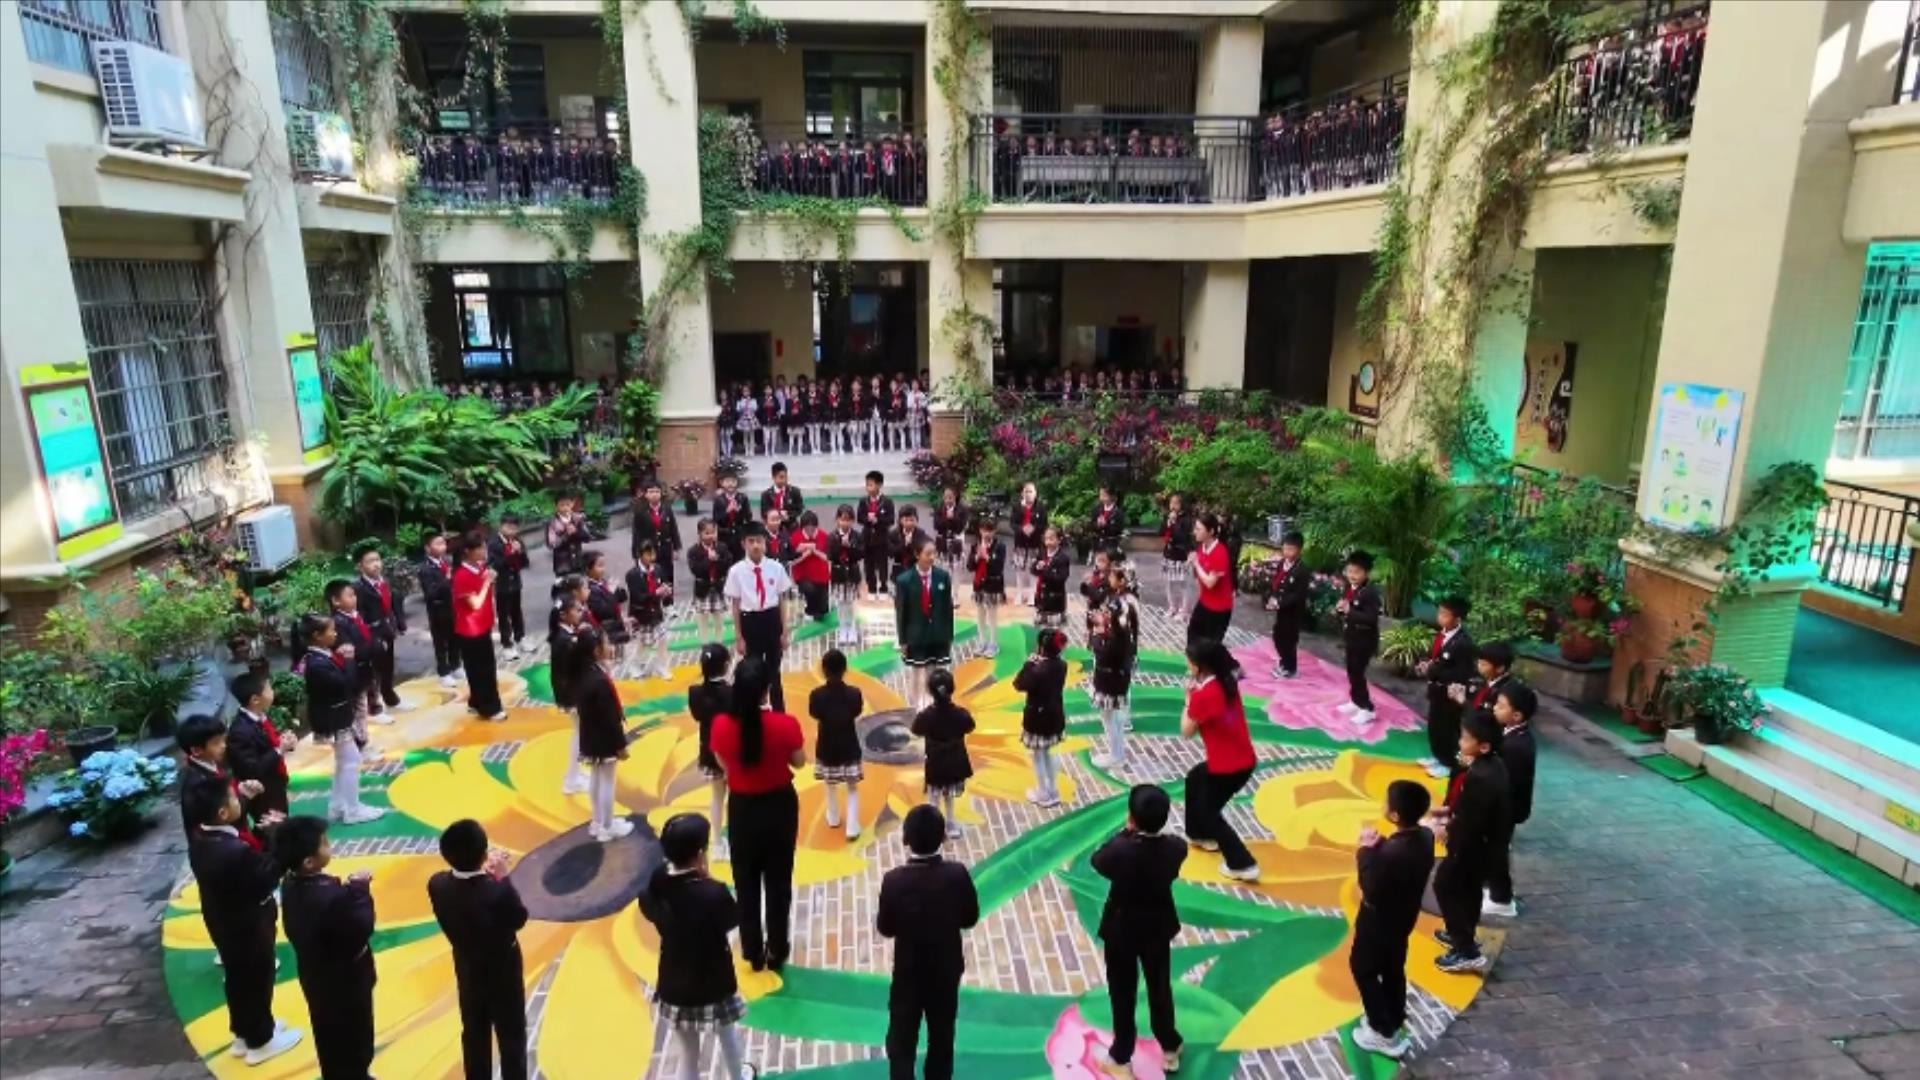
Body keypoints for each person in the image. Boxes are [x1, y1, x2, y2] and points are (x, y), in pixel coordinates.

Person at [183, 783, 303, 1066]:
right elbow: (264, 878)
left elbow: (245, 868)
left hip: (224, 922)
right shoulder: (234, 851)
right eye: (233, 798)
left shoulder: (202, 839)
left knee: (238, 980)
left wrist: (261, 834)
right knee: (258, 978)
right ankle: (261, 1041)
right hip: (248, 925)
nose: (239, 800)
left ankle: (244, 1032)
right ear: (223, 813)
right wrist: (278, 841)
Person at [638, 814, 756, 1080]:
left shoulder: (658, 879)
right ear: (700, 854)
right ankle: (738, 1076)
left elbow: (647, 904)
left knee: (689, 1053)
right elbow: (730, 919)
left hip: (674, 982)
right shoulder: (713, 892)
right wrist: (708, 879)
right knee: (727, 1037)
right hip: (713, 983)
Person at [710, 657, 806, 972]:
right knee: (779, 882)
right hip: (779, 808)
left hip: (742, 809)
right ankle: (777, 948)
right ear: (766, 691)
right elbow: (800, 761)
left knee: (745, 881)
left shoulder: (721, 726)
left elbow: (723, 763)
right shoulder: (785, 724)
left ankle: (752, 949)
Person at [876, 804, 980, 1080]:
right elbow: (970, 918)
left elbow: (885, 928)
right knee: (942, 1037)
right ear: (943, 837)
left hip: (908, 973)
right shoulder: (957, 874)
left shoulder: (893, 881)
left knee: (902, 1039)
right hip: (945, 971)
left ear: (905, 839)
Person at [1090, 785, 1188, 1079]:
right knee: (1159, 987)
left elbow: (1097, 860)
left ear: (1131, 818)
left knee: (1122, 993)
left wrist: (1125, 834)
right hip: (1157, 927)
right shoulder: (1176, 848)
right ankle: (1170, 1045)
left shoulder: (1120, 851)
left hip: (1122, 932)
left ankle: (1121, 1057)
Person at [276, 815, 377, 1080]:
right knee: (355, 1034)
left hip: (315, 974)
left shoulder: (291, 883)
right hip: (346, 979)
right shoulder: (330, 897)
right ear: (309, 862)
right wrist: (359, 890)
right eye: (324, 843)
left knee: (328, 1034)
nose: (329, 845)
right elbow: (361, 925)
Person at [427, 820, 529, 1080]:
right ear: (484, 854)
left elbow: (468, 887)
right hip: (503, 971)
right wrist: (502, 877)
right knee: (511, 1033)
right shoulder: (497, 892)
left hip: (468, 969)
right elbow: (518, 917)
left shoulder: (437, 885)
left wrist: (483, 873)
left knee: (474, 1031)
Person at [1350, 780, 1435, 1059]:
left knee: (1363, 969)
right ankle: (1394, 1016)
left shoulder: (1392, 854)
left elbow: (1371, 887)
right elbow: (1397, 864)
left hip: (1378, 922)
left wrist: (1365, 850)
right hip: (1403, 919)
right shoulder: (1425, 837)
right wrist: (1381, 845)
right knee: (1392, 968)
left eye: (1386, 802)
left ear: (1395, 815)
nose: (1383, 805)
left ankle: (1383, 1031)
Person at [1430, 712, 1511, 973]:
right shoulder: (1491, 766)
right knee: (1469, 890)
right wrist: (1449, 813)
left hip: (1471, 848)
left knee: (1445, 885)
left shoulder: (1481, 777)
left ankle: (1465, 949)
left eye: (1466, 739)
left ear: (1484, 746)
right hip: (1485, 847)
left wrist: (1446, 830)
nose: (1460, 742)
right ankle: (1463, 933)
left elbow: (1472, 821)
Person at [1181, 639, 1260, 882]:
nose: (1187, 663)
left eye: (1189, 660)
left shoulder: (1205, 695)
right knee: (1195, 778)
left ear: (1198, 666)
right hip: (1239, 759)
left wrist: (1188, 700)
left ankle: (1242, 863)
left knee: (1208, 813)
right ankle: (1198, 834)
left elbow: (1186, 731)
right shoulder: (1226, 682)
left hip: (1229, 768)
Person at [302, 614, 384, 825]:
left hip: (336, 715)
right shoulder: (317, 664)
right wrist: (348, 660)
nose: (335, 633)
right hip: (333, 718)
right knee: (352, 761)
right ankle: (352, 810)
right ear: (317, 636)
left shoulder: (322, 657)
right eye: (330, 630)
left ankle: (338, 805)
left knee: (344, 761)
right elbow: (344, 683)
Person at [726, 523, 793, 714]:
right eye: (751, 541)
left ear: (765, 543)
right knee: (752, 671)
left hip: (771, 619)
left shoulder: (776, 568)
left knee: (774, 672)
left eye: (759, 541)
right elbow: (735, 605)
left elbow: (782, 600)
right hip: (750, 621)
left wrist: (784, 631)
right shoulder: (736, 571)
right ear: (743, 544)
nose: (756, 545)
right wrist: (739, 636)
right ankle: (753, 711)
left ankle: (779, 713)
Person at [1483, 684, 1537, 920]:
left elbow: (1504, 783)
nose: (1495, 708)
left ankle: (1501, 899)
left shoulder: (1515, 746)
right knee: (1493, 850)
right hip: (1504, 809)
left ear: (1517, 716)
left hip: (1505, 810)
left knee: (1497, 852)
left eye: (1501, 706)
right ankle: (1494, 890)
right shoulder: (1512, 735)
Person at [573, 628, 632, 842]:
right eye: (606, 643)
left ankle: (598, 821)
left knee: (597, 778)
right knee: (607, 781)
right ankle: (607, 826)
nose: (610, 647)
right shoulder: (599, 681)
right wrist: (620, 745)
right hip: (604, 739)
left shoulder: (583, 673)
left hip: (590, 736)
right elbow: (610, 718)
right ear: (597, 651)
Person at [1416, 596, 1478, 779]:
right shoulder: (1442, 634)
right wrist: (1425, 665)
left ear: (1457, 618)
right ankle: (1438, 756)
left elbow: (1462, 674)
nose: (1440, 617)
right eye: (1440, 612)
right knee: (1435, 726)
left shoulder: (1463, 643)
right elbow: (1435, 658)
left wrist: (1432, 671)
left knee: (1448, 729)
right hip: (1436, 690)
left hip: (1450, 694)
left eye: (1445, 614)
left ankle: (1450, 764)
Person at [809, 648, 866, 842]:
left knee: (830, 784)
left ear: (824, 670)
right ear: (845, 669)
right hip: (849, 746)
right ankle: (852, 826)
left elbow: (814, 713)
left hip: (826, 747)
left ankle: (833, 817)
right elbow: (857, 711)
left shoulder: (816, 695)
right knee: (852, 787)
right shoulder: (854, 694)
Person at [894, 537, 955, 714]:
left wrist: (949, 635)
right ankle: (915, 705)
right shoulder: (904, 580)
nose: (932, 557)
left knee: (934, 672)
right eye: (928, 554)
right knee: (916, 671)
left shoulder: (942, 576)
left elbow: (948, 608)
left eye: (934, 553)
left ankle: (932, 704)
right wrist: (903, 640)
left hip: (937, 634)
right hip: (916, 635)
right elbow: (901, 612)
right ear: (917, 554)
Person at [912, 668, 975, 839]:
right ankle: (951, 824)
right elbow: (970, 726)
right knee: (949, 796)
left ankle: (933, 830)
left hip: (935, 763)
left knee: (933, 797)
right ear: (952, 688)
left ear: (930, 691)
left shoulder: (926, 715)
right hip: (955, 761)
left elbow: (916, 729)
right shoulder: (960, 714)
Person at [226, 672, 295, 825]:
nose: (272, 692)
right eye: (268, 689)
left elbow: (268, 745)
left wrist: (285, 743)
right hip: (263, 793)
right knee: (271, 830)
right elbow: (251, 769)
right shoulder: (240, 731)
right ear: (255, 699)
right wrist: (279, 749)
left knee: (281, 826)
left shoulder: (259, 718)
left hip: (275, 786)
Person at [1091, 567, 1141, 770]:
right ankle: (1117, 753)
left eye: (1106, 612)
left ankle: (1116, 755)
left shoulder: (1116, 636)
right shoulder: (1120, 632)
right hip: (1114, 679)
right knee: (1112, 718)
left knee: (1110, 718)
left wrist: (1097, 636)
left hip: (1111, 682)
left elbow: (1102, 655)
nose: (1103, 614)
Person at [454, 534, 507, 721]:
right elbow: (475, 603)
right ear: (467, 551)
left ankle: (476, 701)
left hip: (482, 625)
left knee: (484, 667)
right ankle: (489, 708)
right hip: (470, 629)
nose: (484, 552)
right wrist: (487, 582)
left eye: (484, 547)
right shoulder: (462, 575)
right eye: (479, 548)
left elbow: (488, 598)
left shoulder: (480, 568)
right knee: (481, 670)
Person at [1015, 629, 1069, 810]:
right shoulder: (1062, 665)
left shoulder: (1037, 671)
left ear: (1041, 647)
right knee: (1049, 753)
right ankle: (1053, 790)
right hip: (1055, 715)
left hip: (1037, 718)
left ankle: (1043, 793)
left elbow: (1018, 684)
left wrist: (1029, 664)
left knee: (1038, 755)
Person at [352, 545, 409, 712]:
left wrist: (399, 623)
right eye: (370, 561)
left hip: (387, 629)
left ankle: (391, 699)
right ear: (360, 566)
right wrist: (368, 637)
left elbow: (393, 603)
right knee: (373, 672)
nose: (376, 564)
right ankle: (374, 707)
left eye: (377, 559)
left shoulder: (384, 582)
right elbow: (359, 616)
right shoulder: (358, 588)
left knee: (388, 667)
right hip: (371, 634)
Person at [328, 578, 386, 731]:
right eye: (349, 596)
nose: (354, 599)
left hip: (367, 662)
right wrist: (373, 648)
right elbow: (349, 648)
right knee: (358, 703)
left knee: (372, 685)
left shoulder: (356, 615)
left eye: (354, 595)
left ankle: (375, 708)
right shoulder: (338, 623)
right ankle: (361, 736)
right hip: (355, 666)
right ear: (336, 601)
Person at [549, 594, 591, 798]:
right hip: (572, 695)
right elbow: (573, 669)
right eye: (576, 609)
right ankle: (571, 780)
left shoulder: (564, 635)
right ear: (564, 615)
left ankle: (575, 774)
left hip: (570, 693)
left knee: (579, 733)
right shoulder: (565, 641)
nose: (580, 612)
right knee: (579, 735)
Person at [1337, 550, 1384, 728]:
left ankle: (1367, 708)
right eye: (1349, 571)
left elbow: (1371, 618)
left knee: (1357, 673)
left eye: (1356, 572)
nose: (1352, 575)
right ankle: (1355, 701)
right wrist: (1340, 610)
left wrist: (1350, 611)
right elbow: (1346, 609)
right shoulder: (1349, 588)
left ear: (1366, 573)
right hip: (1351, 637)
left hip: (1364, 641)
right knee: (1351, 671)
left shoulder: (1370, 593)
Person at [689, 644, 733, 835]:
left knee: (716, 797)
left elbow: (697, 716)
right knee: (734, 798)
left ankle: (717, 841)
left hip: (708, 751)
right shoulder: (731, 693)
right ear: (726, 665)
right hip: (731, 753)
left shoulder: (695, 692)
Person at [1265, 531, 1312, 680]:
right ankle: (1284, 661)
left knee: (1289, 640)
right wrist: (1273, 597)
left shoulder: (1302, 570)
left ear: (1299, 550)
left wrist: (1280, 603)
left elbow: (1298, 595)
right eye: (1285, 548)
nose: (1287, 552)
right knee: (1278, 636)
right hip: (1281, 610)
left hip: (1293, 612)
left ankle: (1290, 667)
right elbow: (1276, 583)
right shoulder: (1282, 564)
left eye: (1291, 549)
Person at [626, 541, 673, 681]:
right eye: (648, 554)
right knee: (643, 642)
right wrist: (656, 594)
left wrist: (666, 590)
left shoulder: (657, 569)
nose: (651, 557)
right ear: (640, 555)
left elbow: (664, 582)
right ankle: (634, 665)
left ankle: (661, 666)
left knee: (662, 639)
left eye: (653, 553)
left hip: (656, 612)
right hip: (641, 614)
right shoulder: (632, 574)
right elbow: (637, 597)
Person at [419, 533, 462, 687]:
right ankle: (444, 672)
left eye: (443, 543)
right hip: (438, 611)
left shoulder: (447, 561)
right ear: (428, 548)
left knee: (454, 638)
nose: (442, 547)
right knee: (440, 642)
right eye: (437, 544)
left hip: (452, 607)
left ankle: (456, 665)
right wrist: (446, 580)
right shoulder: (425, 569)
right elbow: (430, 593)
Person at [488, 514, 531, 662]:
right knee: (503, 615)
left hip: (515, 582)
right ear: (501, 526)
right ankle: (507, 644)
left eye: (514, 528)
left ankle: (521, 637)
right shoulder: (494, 543)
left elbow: (525, 563)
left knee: (517, 611)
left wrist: (520, 552)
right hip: (501, 584)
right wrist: (511, 554)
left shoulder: (517, 541)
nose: (511, 530)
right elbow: (494, 565)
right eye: (508, 527)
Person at [1187, 514, 1234, 647]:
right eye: (1195, 528)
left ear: (1211, 531)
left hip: (1219, 609)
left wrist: (1196, 564)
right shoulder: (1202, 547)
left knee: (1210, 646)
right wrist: (1193, 562)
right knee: (1192, 636)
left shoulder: (1220, 552)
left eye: (1198, 529)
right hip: (1204, 603)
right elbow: (1198, 577)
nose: (1194, 532)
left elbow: (1210, 583)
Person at [630, 480, 682, 599]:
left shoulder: (667, 509)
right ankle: (653, 599)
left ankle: (669, 600)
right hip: (649, 550)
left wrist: (676, 548)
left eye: (657, 491)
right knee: (652, 575)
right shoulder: (640, 512)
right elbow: (636, 534)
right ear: (646, 494)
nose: (654, 494)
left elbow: (673, 528)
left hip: (665, 548)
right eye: (651, 492)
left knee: (667, 574)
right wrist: (637, 553)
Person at [687, 519, 733, 645]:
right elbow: (696, 570)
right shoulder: (694, 551)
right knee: (702, 620)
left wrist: (717, 560)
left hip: (718, 588)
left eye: (713, 532)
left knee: (719, 619)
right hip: (703, 589)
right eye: (707, 533)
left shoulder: (722, 547)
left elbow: (728, 564)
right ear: (700, 534)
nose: (711, 536)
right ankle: (705, 645)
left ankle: (719, 644)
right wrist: (708, 560)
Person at [968, 516, 1006, 659]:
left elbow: (999, 568)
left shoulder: (1000, 547)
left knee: (992, 616)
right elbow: (970, 567)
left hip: (993, 586)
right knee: (980, 616)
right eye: (984, 530)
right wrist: (977, 557)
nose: (987, 534)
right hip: (979, 585)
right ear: (980, 530)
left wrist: (987, 558)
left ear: (994, 531)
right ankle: (982, 641)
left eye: (990, 530)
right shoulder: (975, 545)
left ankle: (993, 643)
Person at [583, 550, 630, 666]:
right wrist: (611, 593)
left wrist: (619, 590)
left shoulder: (603, 583)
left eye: (603, 565)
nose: (603, 569)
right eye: (599, 566)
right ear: (588, 569)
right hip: (606, 632)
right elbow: (603, 611)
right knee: (611, 662)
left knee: (621, 659)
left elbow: (622, 598)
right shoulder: (590, 590)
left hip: (617, 627)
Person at [828, 505, 865, 647]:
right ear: (837, 520)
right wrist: (840, 545)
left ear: (853, 521)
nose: (845, 523)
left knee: (851, 602)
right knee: (841, 602)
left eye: (848, 519)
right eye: (842, 519)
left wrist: (849, 546)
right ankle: (843, 628)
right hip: (838, 574)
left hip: (852, 573)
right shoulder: (832, 536)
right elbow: (830, 555)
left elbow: (860, 554)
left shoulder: (857, 535)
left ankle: (852, 627)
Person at [789, 510, 832, 623]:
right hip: (803, 576)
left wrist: (815, 551)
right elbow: (792, 562)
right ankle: (808, 611)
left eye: (812, 528)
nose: (810, 531)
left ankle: (817, 612)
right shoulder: (795, 537)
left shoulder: (823, 536)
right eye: (807, 528)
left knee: (823, 610)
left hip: (821, 577)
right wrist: (804, 554)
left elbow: (828, 557)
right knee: (810, 590)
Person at [858, 471, 897, 598]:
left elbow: (891, 520)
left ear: (879, 485)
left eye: (871, 485)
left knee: (882, 564)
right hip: (868, 537)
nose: (868, 488)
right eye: (867, 485)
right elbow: (859, 518)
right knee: (868, 564)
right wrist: (867, 519)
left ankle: (883, 587)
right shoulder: (863, 501)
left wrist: (878, 520)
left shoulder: (887, 502)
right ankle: (872, 588)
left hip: (882, 537)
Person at [1010, 483, 1047, 606]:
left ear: (1035, 493)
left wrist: (1034, 529)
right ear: (1022, 493)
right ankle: (1019, 593)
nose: (1028, 494)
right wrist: (1022, 529)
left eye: (1031, 491)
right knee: (1020, 569)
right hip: (1020, 542)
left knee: (1034, 570)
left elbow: (1044, 524)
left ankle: (1032, 595)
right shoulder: (1017, 507)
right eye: (1026, 491)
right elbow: (1012, 523)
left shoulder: (1040, 508)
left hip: (1035, 543)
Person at [1031, 526, 1072, 632]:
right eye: (1046, 538)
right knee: (1039, 630)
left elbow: (1061, 578)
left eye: (1051, 539)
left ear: (1059, 540)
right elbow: (1033, 570)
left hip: (1055, 600)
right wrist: (1037, 567)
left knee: (1054, 632)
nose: (1048, 542)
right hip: (1041, 597)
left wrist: (1045, 570)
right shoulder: (1042, 553)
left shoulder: (1063, 558)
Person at [1159, 494, 1194, 615]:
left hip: (1181, 555)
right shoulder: (1167, 516)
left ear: (1181, 504)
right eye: (1171, 503)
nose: (1173, 506)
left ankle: (1184, 610)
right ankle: (1172, 607)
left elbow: (1182, 536)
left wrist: (1174, 523)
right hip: (1169, 554)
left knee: (1183, 584)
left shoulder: (1186, 519)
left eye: (1176, 503)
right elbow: (1160, 532)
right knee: (1169, 583)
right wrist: (1168, 523)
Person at [546, 494, 589, 578]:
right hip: (562, 564)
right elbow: (552, 544)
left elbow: (587, 537)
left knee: (579, 584)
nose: (565, 508)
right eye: (562, 505)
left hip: (578, 561)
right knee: (564, 585)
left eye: (568, 504)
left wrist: (576, 532)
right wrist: (566, 535)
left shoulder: (578, 519)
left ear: (572, 504)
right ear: (556, 506)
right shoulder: (552, 523)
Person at [712, 473, 753, 560]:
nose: (730, 484)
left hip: (739, 534)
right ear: (722, 483)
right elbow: (715, 519)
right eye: (727, 481)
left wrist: (739, 511)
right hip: (724, 534)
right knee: (725, 559)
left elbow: (749, 517)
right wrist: (727, 511)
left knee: (739, 558)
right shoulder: (718, 500)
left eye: (733, 481)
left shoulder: (743, 498)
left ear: (737, 482)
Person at [932, 487, 966, 568]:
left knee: (956, 567)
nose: (947, 500)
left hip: (957, 541)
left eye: (950, 498)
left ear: (955, 496)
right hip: (942, 541)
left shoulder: (962, 509)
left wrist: (953, 518)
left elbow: (961, 527)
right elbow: (936, 525)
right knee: (942, 567)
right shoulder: (939, 508)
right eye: (945, 498)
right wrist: (946, 519)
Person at [1091, 485, 1126, 554]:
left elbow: (1118, 529)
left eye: (1104, 495)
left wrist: (1106, 525)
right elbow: (1092, 524)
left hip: (1111, 545)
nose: (1101, 498)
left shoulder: (1118, 512)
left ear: (1112, 496)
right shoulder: (1097, 509)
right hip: (1098, 543)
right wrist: (1097, 524)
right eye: (1100, 495)